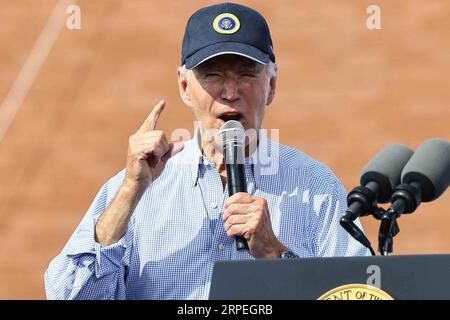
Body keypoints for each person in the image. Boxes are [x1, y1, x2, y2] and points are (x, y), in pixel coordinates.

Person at [44, 2, 369, 300]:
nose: (229, 92)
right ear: (185, 88)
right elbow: (69, 296)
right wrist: (130, 193)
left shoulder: (316, 188)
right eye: (212, 75)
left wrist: (276, 256)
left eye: (246, 74)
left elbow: (363, 294)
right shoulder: (136, 189)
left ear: (270, 86)